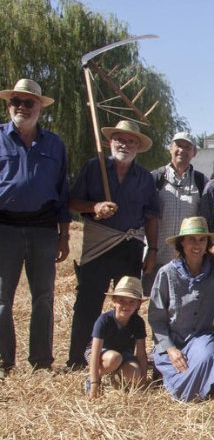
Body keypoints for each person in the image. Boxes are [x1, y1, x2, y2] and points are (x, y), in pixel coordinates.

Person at [66, 120, 159, 369]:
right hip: (99, 243)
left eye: (131, 141)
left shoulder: (145, 178)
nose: (125, 145)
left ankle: (123, 355)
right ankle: (77, 358)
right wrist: (94, 206)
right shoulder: (93, 167)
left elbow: (151, 216)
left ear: (138, 146)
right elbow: (73, 201)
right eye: (120, 139)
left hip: (131, 247)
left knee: (128, 301)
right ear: (110, 142)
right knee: (88, 300)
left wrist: (152, 250)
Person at [0, 78, 70, 376]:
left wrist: (64, 235)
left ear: (40, 107)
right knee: (2, 299)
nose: (22, 107)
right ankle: (4, 362)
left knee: (43, 297)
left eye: (29, 102)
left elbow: (63, 191)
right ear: (8, 105)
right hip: (5, 226)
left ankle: (41, 361)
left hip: (43, 227)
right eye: (16, 101)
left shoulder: (55, 144)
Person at [148, 217, 214, 402]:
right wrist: (171, 349)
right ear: (181, 243)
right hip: (172, 340)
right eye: (191, 239)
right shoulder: (167, 273)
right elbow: (155, 318)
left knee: (208, 357)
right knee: (186, 364)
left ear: (208, 243)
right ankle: (195, 385)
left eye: (202, 239)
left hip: (200, 337)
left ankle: (178, 388)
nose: (197, 245)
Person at [145, 132, 207, 293]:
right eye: (178, 145)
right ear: (170, 148)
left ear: (194, 152)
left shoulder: (201, 182)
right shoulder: (155, 178)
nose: (182, 150)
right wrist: (150, 252)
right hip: (156, 258)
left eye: (188, 147)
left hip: (187, 264)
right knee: (153, 304)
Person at [85, 276, 148, 399]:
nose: (126, 305)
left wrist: (143, 382)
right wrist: (94, 384)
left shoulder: (138, 322)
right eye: (121, 300)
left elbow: (141, 354)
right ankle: (92, 378)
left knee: (135, 374)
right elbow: (95, 353)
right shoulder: (104, 320)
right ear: (113, 301)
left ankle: (115, 374)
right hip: (102, 354)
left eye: (131, 302)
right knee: (114, 358)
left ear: (138, 304)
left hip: (124, 354)